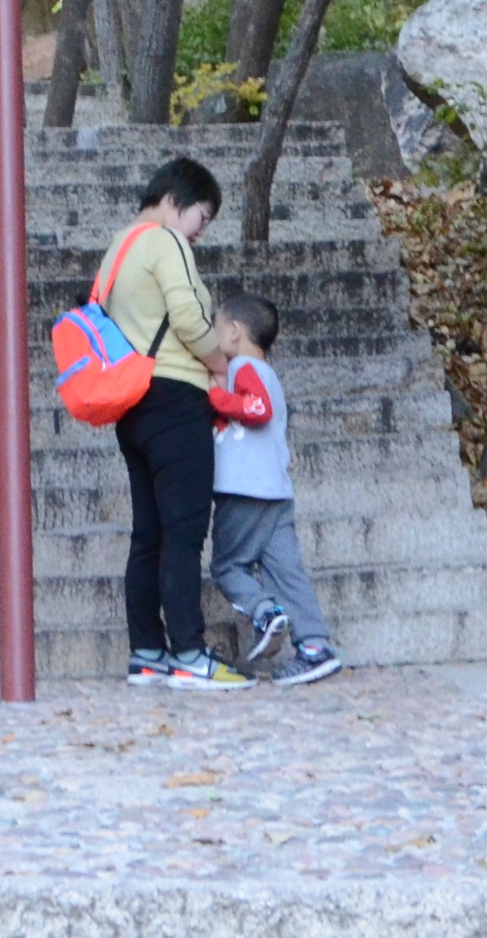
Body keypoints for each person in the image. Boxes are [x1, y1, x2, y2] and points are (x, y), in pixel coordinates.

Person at [97, 155, 246, 688]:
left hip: (131, 402)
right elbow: (187, 316)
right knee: (183, 532)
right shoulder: (166, 241)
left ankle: (147, 651)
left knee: (149, 534)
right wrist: (220, 363)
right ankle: (188, 651)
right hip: (176, 398)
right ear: (176, 200)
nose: (200, 232)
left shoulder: (119, 246)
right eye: (201, 217)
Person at [205, 289, 341, 685]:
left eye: (217, 329)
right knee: (287, 571)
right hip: (276, 492)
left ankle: (265, 613)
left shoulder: (244, 369)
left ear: (234, 332)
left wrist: (213, 398)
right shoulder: (267, 374)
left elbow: (256, 410)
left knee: (228, 565)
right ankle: (315, 646)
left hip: (245, 489)